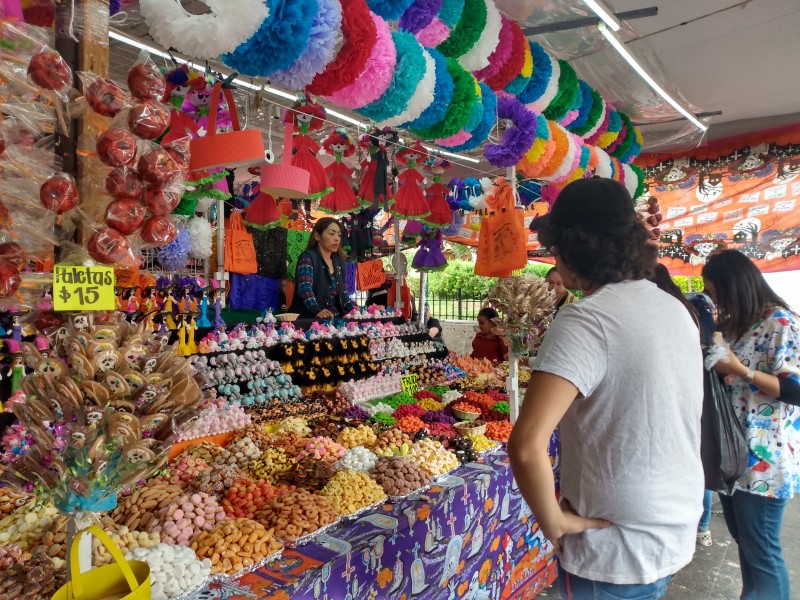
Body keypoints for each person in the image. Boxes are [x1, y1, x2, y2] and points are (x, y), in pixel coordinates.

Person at [508, 177, 704, 600]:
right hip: (671, 524)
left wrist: (552, 522)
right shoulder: (674, 308)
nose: (553, 261)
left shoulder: (587, 320)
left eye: (554, 248)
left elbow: (526, 446)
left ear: (571, 248)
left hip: (613, 547)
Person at [702, 250, 800, 600]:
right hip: (736, 455)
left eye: (715, 291)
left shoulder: (781, 322)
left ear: (736, 285)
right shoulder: (741, 323)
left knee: (762, 555)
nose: (714, 300)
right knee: (749, 548)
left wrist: (740, 370)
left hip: (765, 459)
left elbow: (794, 390)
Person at [649, 264, 717, 548]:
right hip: (688, 394)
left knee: (692, 453)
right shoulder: (685, 308)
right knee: (693, 454)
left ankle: (699, 525)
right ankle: (700, 525)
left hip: (682, 394)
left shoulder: (685, 308)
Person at [290, 218, 357, 319]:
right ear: (317, 236)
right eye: (331, 234)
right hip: (309, 322)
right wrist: (316, 310)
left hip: (335, 322)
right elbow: (304, 287)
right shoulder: (308, 257)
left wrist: (362, 311)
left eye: (339, 235)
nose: (337, 238)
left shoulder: (339, 261)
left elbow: (343, 296)